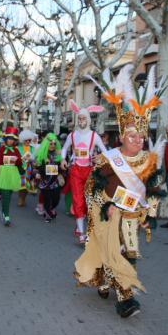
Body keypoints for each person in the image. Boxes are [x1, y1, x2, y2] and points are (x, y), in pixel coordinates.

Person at [74, 63, 165, 318]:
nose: (138, 140)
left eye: (141, 137)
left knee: (132, 252)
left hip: (134, 215)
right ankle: (125, 298)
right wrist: (104, 204)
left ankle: (110, 279)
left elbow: (155, 189)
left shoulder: (149, 160)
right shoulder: (109, 159)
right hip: (111, 213)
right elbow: (91, 187)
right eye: (132, 136)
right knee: (112, 251)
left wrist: (151, 213)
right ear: (123, 136)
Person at [61, 100, 106, 243]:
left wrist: (99, 157)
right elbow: (64, 149)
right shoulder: (72, 135)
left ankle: (82, 224)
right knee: (77, 199)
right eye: (79, 118)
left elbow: (105, 152)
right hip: (75, 170)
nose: (81, 121)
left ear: (88, 119)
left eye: (84, 118)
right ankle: (81, 232)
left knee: (89, 200)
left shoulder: (94, 136)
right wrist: (63, 159)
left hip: (89, 170)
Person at [0, 127, 24, 226]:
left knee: (9, 194)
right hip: (3, 173)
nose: (10, 140)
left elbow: (19, 162)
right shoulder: (1, 149)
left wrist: (22, 165)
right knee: (5, 195)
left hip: (13, 174)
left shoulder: (16, 150)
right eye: (9, 138)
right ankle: (7, 216)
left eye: (12, 139)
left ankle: (4, 212)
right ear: (5, 139)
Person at [34, 133, 64, 223]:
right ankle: (48, 214)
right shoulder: (41, 154)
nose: (53, 145)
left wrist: (62, 171)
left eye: (54, 144)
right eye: (51, 143)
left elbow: (62, 168)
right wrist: (37, 173)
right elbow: (36, 167)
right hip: (44, 181)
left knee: (56, 199)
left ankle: (50, 209)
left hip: (54, 182)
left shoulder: (58, 155)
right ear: (47, 144)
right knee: (47, 199)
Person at [17, 129, 37, 207]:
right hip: (21, 168)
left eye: (29, 140)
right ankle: (20, 198)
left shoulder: (32, 148)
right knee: (22, 185)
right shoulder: (18, 148)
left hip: (29, 168)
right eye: (26, 140)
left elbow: (35, 158)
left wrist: (33, 160)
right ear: (23, 140)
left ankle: (23, 198)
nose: (28, 142)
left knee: (26, 185)